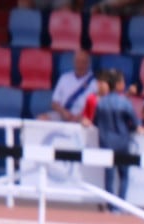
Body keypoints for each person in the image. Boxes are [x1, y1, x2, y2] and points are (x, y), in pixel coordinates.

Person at [92, 68, 139, 200]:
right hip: (122, 142)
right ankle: (121, 204)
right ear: (118, 84)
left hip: (106, 141)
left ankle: (110, 205)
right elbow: (134, 122)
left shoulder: (101, 102)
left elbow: (95, 122)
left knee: (109, 175)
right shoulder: (124, 102)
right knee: (123, 175)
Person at [47, 49, 97, 121]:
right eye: (77, 61)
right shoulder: (64, 78)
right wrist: (63, 112)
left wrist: (81, 115)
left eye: (83, 62)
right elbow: (54, 103)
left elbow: (95, 106)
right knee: (42, 118)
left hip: (83, 116)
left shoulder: (95, 82)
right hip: (63, 114)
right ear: (73, 62)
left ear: (88, 63)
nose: (80, 65)